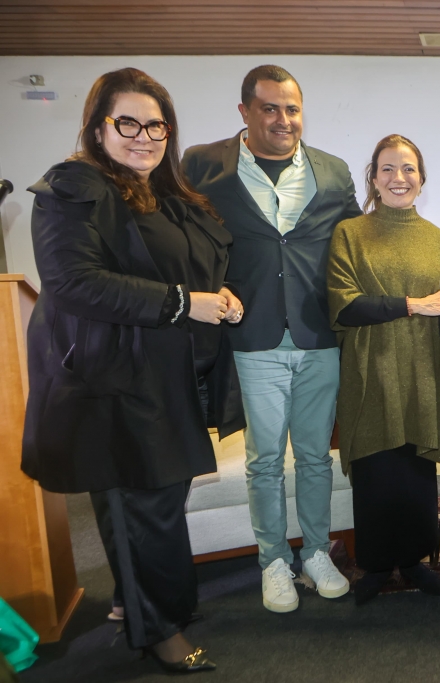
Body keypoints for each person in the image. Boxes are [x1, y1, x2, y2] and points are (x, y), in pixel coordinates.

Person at [22, 67, 245, 673]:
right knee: (142, 507)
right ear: (98, 127)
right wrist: (184, 302)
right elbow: (73, 282)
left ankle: (145, 605)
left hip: (165, 377)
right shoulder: (75, 186)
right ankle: (160, 630)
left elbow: (191, 270)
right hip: (113, 382)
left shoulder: (166, 196)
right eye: (128, 123)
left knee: (157, 501)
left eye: (156, 125)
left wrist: (219, 295)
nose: (144, 136)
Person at [183, 64, 361, 613]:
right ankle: (273, 562)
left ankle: (316, 552)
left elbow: (355, 242)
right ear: (245, 112)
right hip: (251, 335)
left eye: (292, 109)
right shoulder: (203, 165)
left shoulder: (333, 170)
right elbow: (184, 239)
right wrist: (205, 291)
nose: (283, 119)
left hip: (317, 335)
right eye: (269, 108)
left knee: (314, 457)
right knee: (263, 460)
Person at [326, 134, 440, 604]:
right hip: (370, 370)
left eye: (408, 169)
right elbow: (345, 305)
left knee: (414, 470)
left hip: (424, 369)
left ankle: (412, 560)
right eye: (387, 169)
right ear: (373, 178)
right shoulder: (350, 234)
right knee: (375, 468)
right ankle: (374, 564)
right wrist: (411, 304)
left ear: (421, 179)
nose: (398, 178)